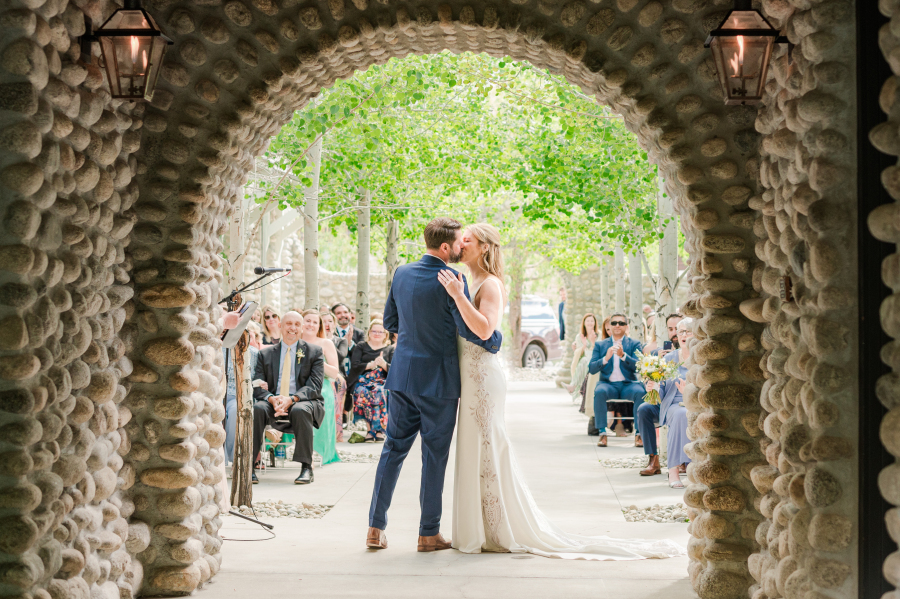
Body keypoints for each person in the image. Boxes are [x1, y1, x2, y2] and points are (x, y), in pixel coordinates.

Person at [438, 223, 683, 560]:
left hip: (483, 380)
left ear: (483, 247)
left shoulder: (490, 284)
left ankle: (497, 529)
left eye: (467, 240)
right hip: (469, 376)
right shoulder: (466, 280)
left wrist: (457, 296)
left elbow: (484, 328)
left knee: (488, 448)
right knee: (473, 448)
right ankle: (476, 528)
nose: (459, 244)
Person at [366, 217, 502, 552]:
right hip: (439, 382)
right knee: (434, 457)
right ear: (445, 247)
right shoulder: (453, 277)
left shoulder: (401, 273)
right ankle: (428, 534)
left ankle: (374, 529)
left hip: (401, 378)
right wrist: (494, 340)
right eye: (458, 243)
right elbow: (471, 330)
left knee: (392, 450)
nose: (461, 248)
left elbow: (390, 322)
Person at [252, 311, 325, 485]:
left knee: (300, 410)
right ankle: (250, 464)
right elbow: (257, 384)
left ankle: (306, 467)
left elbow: (314, 386)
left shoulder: (314, 352)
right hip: (273, 401)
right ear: (280, 326)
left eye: (297, 325)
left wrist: (291, 399)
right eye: (288, 324)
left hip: (303, 401)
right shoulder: (266, 354)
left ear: (301, 328)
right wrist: (271, 398)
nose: (292, 328)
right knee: (258, 408)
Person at [635, 318, 694, 486]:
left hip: (696, 402)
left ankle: (693, 469)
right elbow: (662, 390)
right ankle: (673, 471)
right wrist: (653, 388)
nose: (683, 335)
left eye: (688, 331)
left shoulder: (701, 359)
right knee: (682, 414)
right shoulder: (668, 358)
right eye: (681, 331)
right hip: (673, 403)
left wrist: (689, 393)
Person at [588, 314, 646, 448]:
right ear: (609, 326)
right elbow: (591, 368)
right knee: (600, 391)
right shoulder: (600, 345)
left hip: (628, 385)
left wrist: (623, 356)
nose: (617, 325)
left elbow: (640, 366)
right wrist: (605, 358)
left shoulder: (634, 344)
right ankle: (602, 433)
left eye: (621, 323)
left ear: (626, 326)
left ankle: (639, 434)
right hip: (608, 385)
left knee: (640, 392)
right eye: (614, 323)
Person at [300, 310, 341, 466]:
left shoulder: (326, 344)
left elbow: (335, 373)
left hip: (320, 385)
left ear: (319, 326)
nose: (310, 324)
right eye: (307, 320)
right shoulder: (293, 341)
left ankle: (319, 449)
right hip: (297, 385)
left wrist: (316, 361)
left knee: (321, 395)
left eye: (314, 322)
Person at [348, 319, 395, 442]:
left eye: (380, 332)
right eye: (374, 331)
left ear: (385, 334)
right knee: (364, 391)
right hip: (364, 380)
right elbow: (355, 365)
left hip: (382, 380)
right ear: (369, 332)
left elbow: (395, 368)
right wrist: (371, 364)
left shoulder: (389, 349)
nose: (377, 334)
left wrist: (384, 364)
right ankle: (370, 430)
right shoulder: (361, 346)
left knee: (380, 391)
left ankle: (379, 430)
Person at [321, 311, 347, 442]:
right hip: (319, 375)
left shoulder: (341, 340)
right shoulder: (317, 340)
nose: (327, 324)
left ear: (334, 324)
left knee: (337, 384)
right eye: (324, 321)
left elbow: (341, 356)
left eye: (330, 321)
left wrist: (328, 342)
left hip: (336, 375)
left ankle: (337, 433)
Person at [565, 313, 599, 400]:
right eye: (588, 321)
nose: (590, 323)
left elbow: (599, 349)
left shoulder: (598, 335)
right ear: (584, 323)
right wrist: (584, 345)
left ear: (595, 323)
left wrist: (592, 342)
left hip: (595, 358)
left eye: (592, 321)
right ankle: (578, 387)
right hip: (583, 359)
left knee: (585, 361)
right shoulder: (579, 336)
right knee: (584, 361)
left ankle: (574, 386)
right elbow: (578, 352)